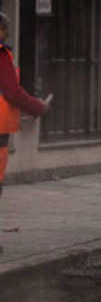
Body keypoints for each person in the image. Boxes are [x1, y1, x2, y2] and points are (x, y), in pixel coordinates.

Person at [0, 12, 49, 199]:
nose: (7, 35)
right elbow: (12, 92)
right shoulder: (1, 55)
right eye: (5, 29)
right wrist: (38, 107)